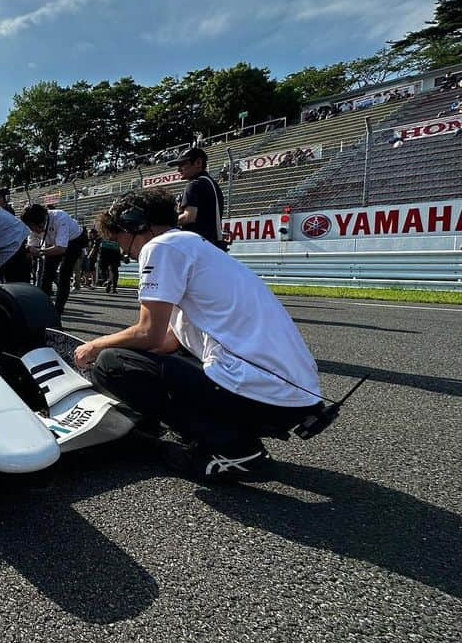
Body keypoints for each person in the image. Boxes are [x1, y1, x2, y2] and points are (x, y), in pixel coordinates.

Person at [73, 190, 324, 481]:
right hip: (291, 397)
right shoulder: (195, 248)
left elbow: (148, 334)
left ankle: (236, 449)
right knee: (155, 357)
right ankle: (217, 432)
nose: (123, 252)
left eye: (119, 240)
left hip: (263, 393)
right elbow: (168, 342)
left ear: (136, 226)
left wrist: (93, 345)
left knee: (112, 364)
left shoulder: (161, 247)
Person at [21, 203, 86, 319]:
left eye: (32, 227)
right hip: (53, 243)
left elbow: (61, 248)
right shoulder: (32, 224)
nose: (31, 230)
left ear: (41, 222)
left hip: (74, 240)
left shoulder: (60, 217)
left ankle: (58, 310)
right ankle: (43, 307)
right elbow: (32, 246)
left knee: (64, 273)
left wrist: (40, 252)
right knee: (46, 275)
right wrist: (31, 249)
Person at [170, 146, 226, 249]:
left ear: (198, 163)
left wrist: (167, 221)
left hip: (197, 246)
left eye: (182, 164)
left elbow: (189, 217)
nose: (178, 169)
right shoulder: (211, 183)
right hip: (214, 244)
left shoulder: (194, 185)